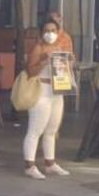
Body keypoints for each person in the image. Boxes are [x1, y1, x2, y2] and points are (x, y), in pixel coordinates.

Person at [23, 18, 72, 180]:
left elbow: (66, 67)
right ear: (41, 33)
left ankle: (50, 163)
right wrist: (44, 60)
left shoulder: (60, 48)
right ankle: (30, 165)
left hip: (57, 90)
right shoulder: (39, 48)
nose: (50, 33)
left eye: (53, 30)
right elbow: (30, 71)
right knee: (36, 129)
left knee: (51, 130)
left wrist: (69, 61)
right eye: (46, 30)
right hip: (42, 90)